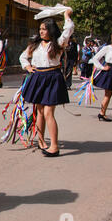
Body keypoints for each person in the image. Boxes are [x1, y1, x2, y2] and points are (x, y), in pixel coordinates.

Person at [19, 9, 74, 157]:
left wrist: (66, 15)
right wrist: (28, 67)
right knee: (40, 112)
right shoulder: (35, 45)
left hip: (53, 77)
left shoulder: (58, 43)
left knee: (49, 112)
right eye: (40, 29)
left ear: (51, 30)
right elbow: (23, 57)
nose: (41, 32)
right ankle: (41, 141)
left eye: (44, 29)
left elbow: (68, 29)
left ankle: (54, 146)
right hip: (38, 78)